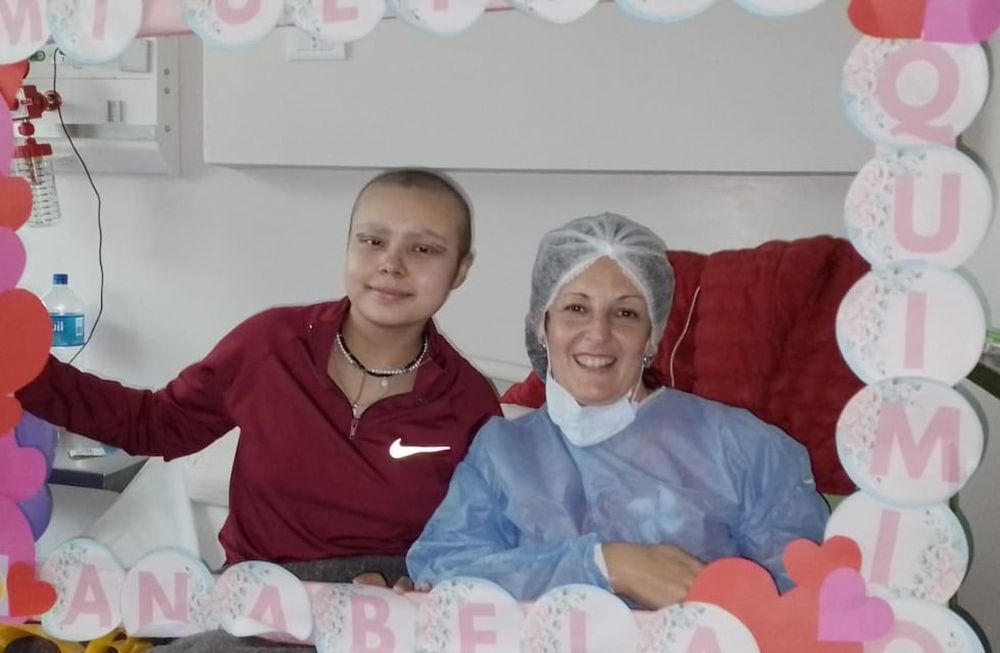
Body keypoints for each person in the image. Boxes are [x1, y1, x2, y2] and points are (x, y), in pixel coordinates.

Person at [17, 169, 502, 588]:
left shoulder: (470, 406)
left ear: (461, 269)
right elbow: (155, 423)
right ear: (348, 246)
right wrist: (23, 365)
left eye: (425, 249)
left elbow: (484, 543)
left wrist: (424, 592)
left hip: (387, 608)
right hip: (259, 604)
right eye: (373, 241)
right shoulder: (271, 346)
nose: (391, 264)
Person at [406, 213, 829, 610]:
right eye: (576, 308)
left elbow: (800, 601)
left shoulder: (744, 448)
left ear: (651, 338)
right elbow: (444, 573)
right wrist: (607, 565)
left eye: (625, 313)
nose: (598, 333)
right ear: (542, 325)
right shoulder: (503, 451)